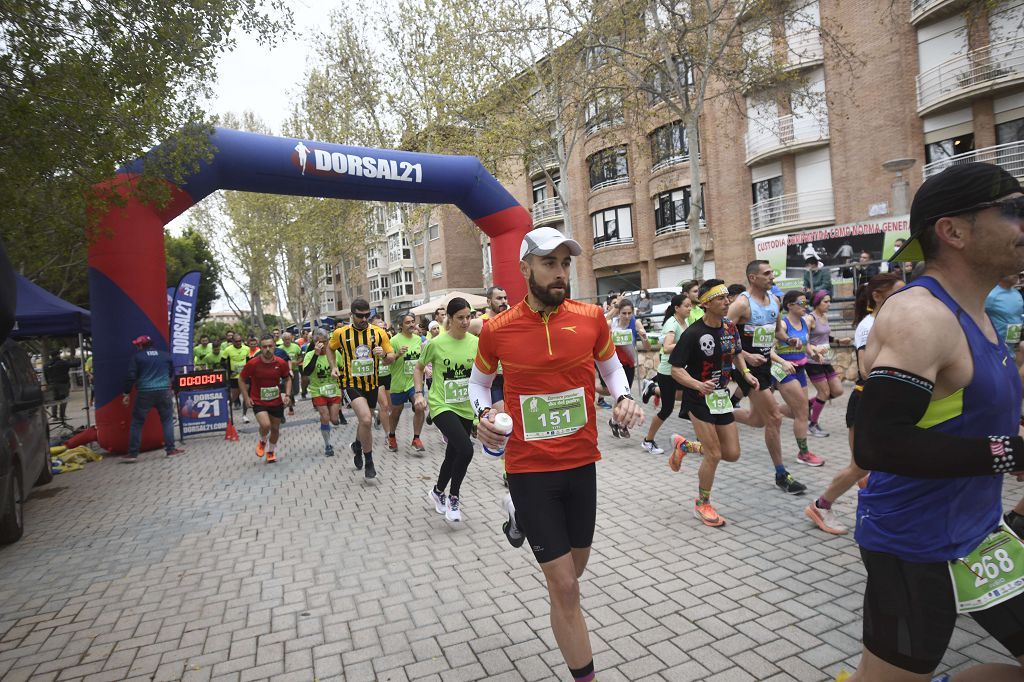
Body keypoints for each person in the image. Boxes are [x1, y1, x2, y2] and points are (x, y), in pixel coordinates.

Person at [842, 162, 1024, 681]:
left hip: (981, 537)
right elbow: (876, 445)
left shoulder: (981, 312)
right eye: (1014, 212)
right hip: (914, 547)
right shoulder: (921, 316)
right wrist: (1010, 453)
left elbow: (969, 420)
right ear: (953, 231)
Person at [470, 226, 644, 682]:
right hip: (528, 468)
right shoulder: (496, 329)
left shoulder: (590, 317)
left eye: (565, 263)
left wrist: (623, 397)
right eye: (549, 263)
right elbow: (479, 384)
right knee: (566, 588)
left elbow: (610, 367)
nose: (560, 272)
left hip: (582, 463)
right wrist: (484, 415)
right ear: (525, 267)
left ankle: (518, 521)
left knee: (573, 573)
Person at [805, 274, 904, 536]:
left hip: (886, 402)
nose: (906, 298)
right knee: (861, 464)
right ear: (878, 296)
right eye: (899, 292)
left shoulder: (891, 320)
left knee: (885, 461)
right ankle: (821, 505)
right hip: (868, 400)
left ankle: (880, 510)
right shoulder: (869, 325)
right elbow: (864, 369)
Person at [668, 280, 755, 526]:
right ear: (706, 303)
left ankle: (685, 447)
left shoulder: (729, 327)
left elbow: (737, 352)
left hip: (721, 398)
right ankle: (702, 503)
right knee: (715, 454)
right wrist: (697, 385)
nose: (727, 302)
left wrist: (746, 373)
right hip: (698, 399)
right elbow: (675, 370)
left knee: (732, 453)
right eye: (721, 299)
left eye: (728, 297)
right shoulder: (693, 333)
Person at [728, 261, 808, 494]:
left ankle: (720, 414)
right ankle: (782, 474)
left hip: (766, 365)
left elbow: (777, 330)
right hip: (746, 367)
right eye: (767, 273)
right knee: (774, 417)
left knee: (757, 419)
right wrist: (745, 355)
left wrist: (788, 340)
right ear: (753, 278)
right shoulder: (741, 304)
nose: (772, 276)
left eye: (771, 272)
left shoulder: (774, 301)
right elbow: (724, 337)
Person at [417, 297, 478, 522]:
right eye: (460, 318)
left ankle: (437, 491)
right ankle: (454, 497)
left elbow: (483, 376)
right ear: (449, 319)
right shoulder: (436, 343)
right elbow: (419, 367)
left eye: (468, 317)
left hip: (465, 407)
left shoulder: (475, 343)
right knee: (466, 450)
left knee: (453, 453)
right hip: (441, 405)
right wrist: (418, 394)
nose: (465, 322)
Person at [328, 298, 395, 479]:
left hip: (372, 384)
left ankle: (357, 446)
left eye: (367, 315)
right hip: (351, 384)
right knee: (366, 420)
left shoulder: (379, 333)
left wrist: (385, 356)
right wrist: (333, 366)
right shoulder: (341, 333)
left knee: (364, 422)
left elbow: (391, 357)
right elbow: (330, 348)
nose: (364, 319)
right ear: (352, 315)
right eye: (360, 316)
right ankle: (369, 461)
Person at [773, 290, 825, 467]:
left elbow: (806, 343)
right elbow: (768, 350)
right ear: (789, 305)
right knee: (802, 413)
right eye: (801, 303)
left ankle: (772, 411)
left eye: (806, 303)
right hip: (784, 370)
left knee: (800, 413)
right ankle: (803, 453)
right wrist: (782, 362)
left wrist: (813, 353)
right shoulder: (783, 325)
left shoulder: (804, 322)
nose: (806, 307)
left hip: (800, 369)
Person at [641, 294, 691, 454]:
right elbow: (668, 346)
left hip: (679, 370)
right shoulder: (672, 323)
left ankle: (653, 389)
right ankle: (648, 441)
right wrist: (686, 344)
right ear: (677, 308)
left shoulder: (685, 321)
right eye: (687, 306)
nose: (690, 309)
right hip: (668, 372)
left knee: (691, 398)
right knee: (667, 409)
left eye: (690, 306)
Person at [121, 335, 182, 461]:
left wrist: (126, 393)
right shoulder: (165, 356)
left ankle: (133, 454)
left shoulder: (137, 357)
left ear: (141, 345)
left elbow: (131, 376)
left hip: (144, 393)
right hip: (164, 391)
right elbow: (172, 373)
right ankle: (170, 450)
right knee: (167, 421)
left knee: (137, 423)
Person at [239, 334, 292, 464]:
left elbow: (287, 379)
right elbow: (241, 379)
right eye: (264, 347)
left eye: (270, 346)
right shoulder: (253, 363)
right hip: (259, 400)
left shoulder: (280, 362)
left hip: (276, 401)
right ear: (260, 348)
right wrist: (246, 397)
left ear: (274, 346)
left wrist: (287, 395)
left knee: (275, 429)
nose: (267, 349)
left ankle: (271, 451)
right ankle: (263, 440)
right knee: (265, 425)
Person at [805, 290, 850, 438]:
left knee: (837, 391)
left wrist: (838, 340)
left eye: (829, 301)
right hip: (813, 360)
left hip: (826, 359)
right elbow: (804, 340)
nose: (829, 304)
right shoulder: (810, 319)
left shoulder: (824, 316)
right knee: (823, 392)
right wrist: (814, 352)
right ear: (817, 302)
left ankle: (808, 404)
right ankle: (812, 424)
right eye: (825, 301)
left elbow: (824, 336)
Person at [387, 313, 426, 453]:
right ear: (401, 325)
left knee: (420, 406)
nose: (411, 324)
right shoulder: (394, 341)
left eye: (412, 322)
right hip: (398, 383)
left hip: (414, 383)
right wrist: (397, 354)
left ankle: (416, 438)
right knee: (396, 413)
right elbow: (387, 361)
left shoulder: (418, 339)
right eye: (407, 322)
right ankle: (391, 436)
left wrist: (426, 368)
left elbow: (421, 360)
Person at [302, 329, 344, 457]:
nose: (322, 345)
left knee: (334, 419)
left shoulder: (335, 353)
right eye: (319, 342)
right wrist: (315, 354)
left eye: (325, 342)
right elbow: (307, 372)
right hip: (318, 390)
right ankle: (327, 445)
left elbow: (342, 369)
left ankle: (334, 421)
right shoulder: (309, 355)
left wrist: (340, 378)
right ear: (314, 342)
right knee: (325, 417)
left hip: (334, 389)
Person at [986, 272, 1024, 365]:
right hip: (995, 348)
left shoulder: (1016, 293)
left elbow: (1017, 315)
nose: (1017, 274)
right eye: (1013, 271)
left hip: (1012, 346)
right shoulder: (991, 295)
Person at [223, 334, 251, 423]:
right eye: (236, 341)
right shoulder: (228, 350)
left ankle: (244, 415)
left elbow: (249, 361)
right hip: (234, 377)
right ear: (233, 341)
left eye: (240, 341)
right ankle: (227, 414)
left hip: (244, 376)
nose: (238, 343)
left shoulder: (246, 348)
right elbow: (222, 362)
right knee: (234, 396)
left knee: (245, 395)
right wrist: (230, 371)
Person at [372, 315, 392, 431]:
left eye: (384, 328)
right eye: (379, 329)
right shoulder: (368, 342)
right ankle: (388, 435)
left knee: (390, 407)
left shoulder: (389, 338)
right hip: (376, 377)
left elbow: (393, 357)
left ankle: (379, 416)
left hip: (389, 375)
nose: (382, 331)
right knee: (384, 406)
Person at [43, 349, 74, 422]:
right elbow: (75, 364)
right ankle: (62, 416)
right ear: (57, 355)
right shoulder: (63, 363)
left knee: (54, 400)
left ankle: (54, 416)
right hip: (63, 384)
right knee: (64, 399)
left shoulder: (46, 365)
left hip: (51, 384)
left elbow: (45, 375)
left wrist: (48, 383)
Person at [278, 332, 302, 415]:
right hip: (284, 372)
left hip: (294, 370)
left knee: (296, 390)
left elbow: (301, 357)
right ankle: (290, 406)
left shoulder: (296, 347)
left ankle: (292, 398)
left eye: (288, 339)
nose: (287, 341)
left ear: (291, 338)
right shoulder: (280, 349)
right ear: (283, 340)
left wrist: (297, 362)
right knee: (289, 389)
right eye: (285, 339)